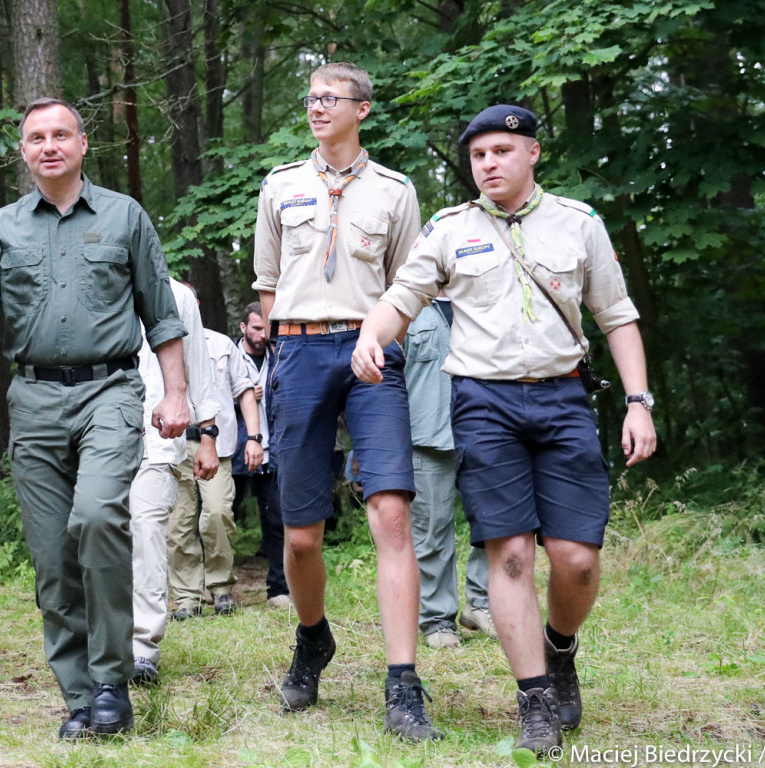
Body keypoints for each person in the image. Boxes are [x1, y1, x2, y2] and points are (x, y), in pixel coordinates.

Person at [352, 104, 657, 755]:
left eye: (501, 152)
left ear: (532, 154)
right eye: (478, 156)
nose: (488, 164)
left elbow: (618, 315)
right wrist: (371, 339)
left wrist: (638, 401)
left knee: (576, 560)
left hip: (564, 400)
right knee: (511, 554)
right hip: (483, 405)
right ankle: (535, 701)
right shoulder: (449, 228)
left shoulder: (580, 224)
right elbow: (399, 298)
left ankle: (560, 646)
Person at [0, 98, 190, 740]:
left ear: (83, 144)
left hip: (110, 391)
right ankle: (80, 696)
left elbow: (163, 314)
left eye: (60, 134)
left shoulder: (124, 216)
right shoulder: (3, 228)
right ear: (23, 151)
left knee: (96, 518)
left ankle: (114, 678)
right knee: (52, 556)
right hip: (33, 401)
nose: (48, 145)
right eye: (36, 137)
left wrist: (175, 396)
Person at [253, 62, 441, 740]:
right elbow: (268, 286)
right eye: (310, 98)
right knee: (301, 536)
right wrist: (285, 349)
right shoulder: (280, 186)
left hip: (370, 357)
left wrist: (377, 340)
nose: (316, 107)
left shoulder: (395, 191)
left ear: (362, 109)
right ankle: (312, 638)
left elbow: (408, 289)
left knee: (391, 511)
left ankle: (403, 685)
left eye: (329, 98)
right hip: (299, 354)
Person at [130, 277, 220, 684]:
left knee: (148, 533)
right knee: (98, 533)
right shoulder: (90, 280)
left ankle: (142, 648)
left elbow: (199, 369)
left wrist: (208, 438)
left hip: (158, 438)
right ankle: (98, 640)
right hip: (95, 435)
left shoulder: (179, 296)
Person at [403, 296, 494, 649]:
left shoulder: (482, 299)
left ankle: (481, 604)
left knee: (494, 525)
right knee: (432, 534)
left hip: (485, 432)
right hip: (425, 437)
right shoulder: (405, 308)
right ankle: (438, 620)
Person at [167, 327, 262, 619]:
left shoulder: (221, 344)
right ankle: (186, 598)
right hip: (173, 443)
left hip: (217, 444)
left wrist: (254, 438)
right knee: (178, 521)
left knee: (218, 512)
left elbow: (244, 391)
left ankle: (221, 587)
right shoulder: (158, 343)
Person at [230, 302, 289, 609]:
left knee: (276, 519)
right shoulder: (229, 355)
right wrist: (239, 395)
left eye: (266, 328)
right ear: (243, 328)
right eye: (256, 328)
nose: (263, 334)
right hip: (235, 448)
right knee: (221, 515)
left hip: (272, 449)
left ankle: (279, 589)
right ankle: (216, 586)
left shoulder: (278, 355)